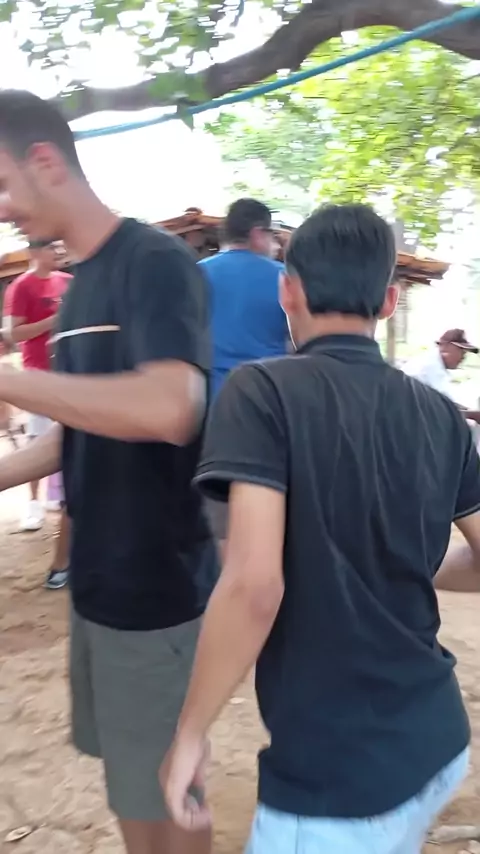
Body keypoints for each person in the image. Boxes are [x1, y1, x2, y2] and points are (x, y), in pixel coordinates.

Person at [162, 204, 480, 854]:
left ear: (288, 290)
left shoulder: (261, 392)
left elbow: (253, 587)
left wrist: (189, 733)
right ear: (388, 301)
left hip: (339, 779)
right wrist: (412, 568)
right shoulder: (441, 415)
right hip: (437, 740)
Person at [0, 89, 217, 854]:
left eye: (1, 184)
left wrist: (8, 379)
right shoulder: (81, 284)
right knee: (130, 785)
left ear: (45, 161)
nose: (1, 210)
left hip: (156, 590)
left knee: (169, 790)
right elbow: (79, 433)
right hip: (99, 582)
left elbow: (171, 407)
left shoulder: (153, 262)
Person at [199, 198, 289, 546]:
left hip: (208, 414)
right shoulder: (285, 280)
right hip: (270, 414)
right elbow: (299, 347)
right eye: (272, 235)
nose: (275, 244)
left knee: (218, 526)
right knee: (269, 523)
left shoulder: (195, 275)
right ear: (256, 233)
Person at [3, 240, 71, 534]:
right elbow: (13, 334)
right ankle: (32, 504)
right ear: (34, 252)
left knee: (69, 438)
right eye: (51, 248)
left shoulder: (68, 281)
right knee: (38, 440)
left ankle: (63, 496)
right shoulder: (21, 286)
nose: (58, 252)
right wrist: (54, 320)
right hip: (38, 374)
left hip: (69, 373)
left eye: (59, 248)